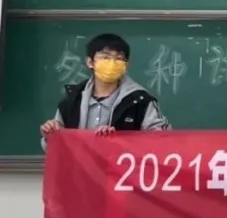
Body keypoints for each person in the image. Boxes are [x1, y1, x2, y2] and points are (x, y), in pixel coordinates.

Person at [40, 33, 170, 147]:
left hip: (122, 167)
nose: (112, 63)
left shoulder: (141, 101)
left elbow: (162, 141)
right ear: (90, 62)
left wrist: (119, 139)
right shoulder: (72, 99)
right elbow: (55, 148)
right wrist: (51, 135)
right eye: (105, 57)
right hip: (80, 168)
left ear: (126, 65)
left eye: (119, 58)